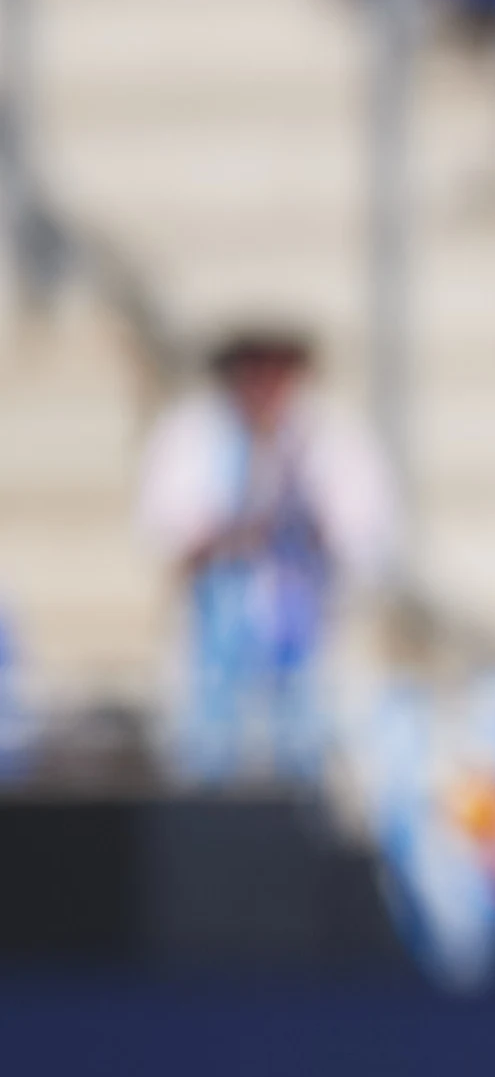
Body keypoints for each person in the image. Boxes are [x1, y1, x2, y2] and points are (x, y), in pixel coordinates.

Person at [135, 327, 399, 784]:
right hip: (214, 650)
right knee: (210, 767)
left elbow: (365, 536)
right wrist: (239, 530)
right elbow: (166, 530)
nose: (265, 386)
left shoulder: (329, 437)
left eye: (278, 372)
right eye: (254, 371)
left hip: (305, 641)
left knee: (305, 766)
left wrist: (308, 512)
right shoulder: (193, 434)